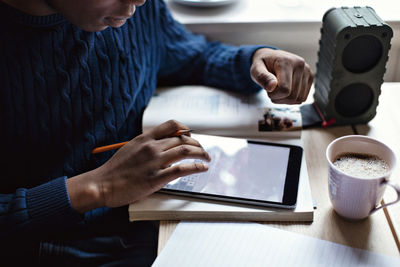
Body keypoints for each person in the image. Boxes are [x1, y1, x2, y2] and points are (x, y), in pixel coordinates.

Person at [0, 0, 313, 265]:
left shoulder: (136, 8)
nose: (136, 4)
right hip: (51, 247)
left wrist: (252, 61)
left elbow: (189, 54)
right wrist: (97, 187)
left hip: (152, 220)